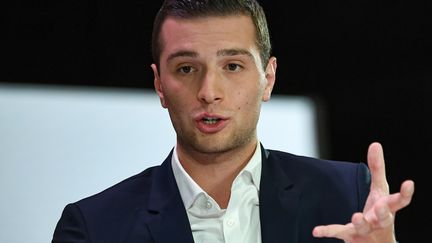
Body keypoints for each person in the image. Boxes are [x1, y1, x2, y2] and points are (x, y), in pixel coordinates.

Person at [51, 0, 415, 242]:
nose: (209, 91)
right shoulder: (94, 227)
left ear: (267, 78)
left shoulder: (347, 196)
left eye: (233, 66)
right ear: (159, 84)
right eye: (187, 68)